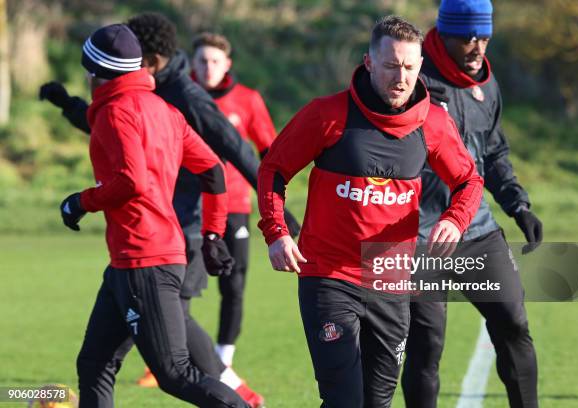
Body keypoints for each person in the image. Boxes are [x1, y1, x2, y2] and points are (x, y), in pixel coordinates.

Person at [40, 13, 266, 407]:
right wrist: (213, 234)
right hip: (133, 260)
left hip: (144, 258)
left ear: (97, 72)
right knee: (95, 363)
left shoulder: (115, 111)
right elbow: (213, 169)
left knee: (175, 374)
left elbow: (133, 181)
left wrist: (79, 202)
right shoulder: (162, 108)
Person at [257, 15, 484, 408]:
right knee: (344, 399)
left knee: (377, 402)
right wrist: (276, 230)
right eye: (392, 65)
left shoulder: (432, 121)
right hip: (328, 276)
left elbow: (468, 180)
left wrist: (455, 218)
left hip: (390, 279)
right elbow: (274, 169)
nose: (402, 77)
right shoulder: (326, 115)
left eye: (410, 67)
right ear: (369, 62)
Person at [400, 1, 542, 407]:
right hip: (421, 237)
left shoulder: (486, 83)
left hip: (476, 230)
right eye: (466, 37)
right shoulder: (412, 79)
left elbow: (493, 153)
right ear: (443, 34)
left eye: (483, 36)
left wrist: (518, 205)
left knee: (514, 325)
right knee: (426, 344)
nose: (476, 46)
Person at [191, 32, 276, 368]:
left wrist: (274, 199)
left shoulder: (248, 100)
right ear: (192, 63)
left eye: (215, 61)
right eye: (202, 60)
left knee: (233, 285)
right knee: (176, 284)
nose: (208, 67)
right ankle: (164, 357)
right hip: (189, 208)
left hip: (235, 208)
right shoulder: (180, 96)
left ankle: (223, 357)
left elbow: (269, 153)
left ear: (227, 64)